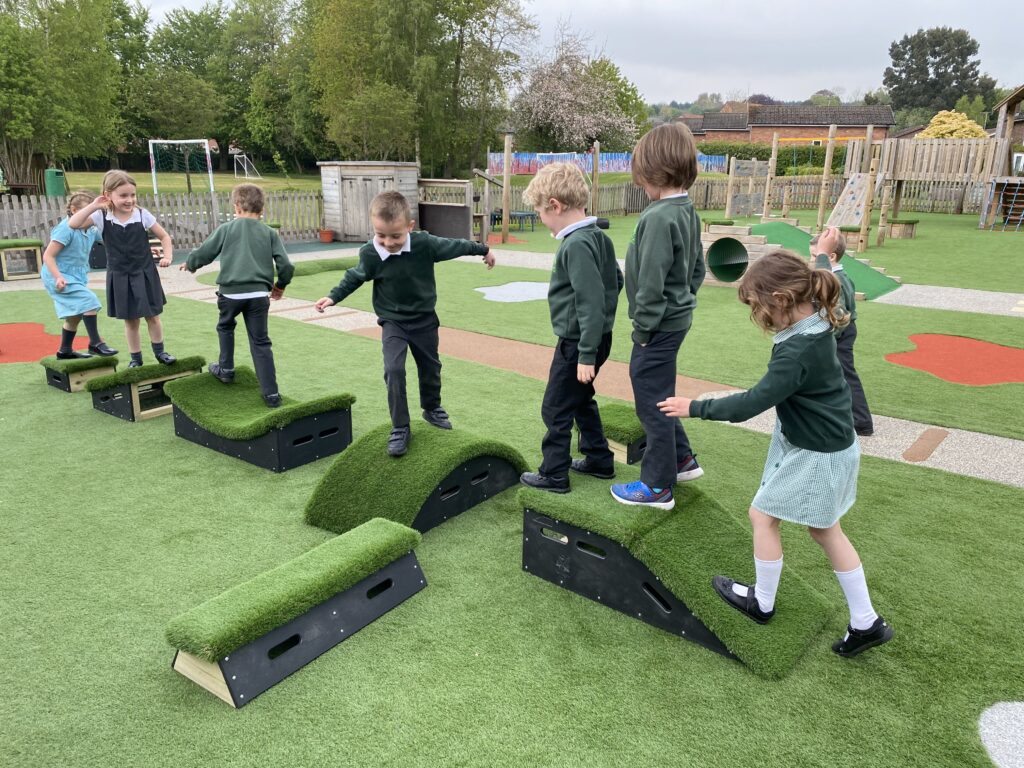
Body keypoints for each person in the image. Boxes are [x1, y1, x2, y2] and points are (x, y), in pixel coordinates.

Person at [658, 239, 894, 658]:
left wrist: (693, 407)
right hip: (832, 445)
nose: (758, 316)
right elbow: (827, 277)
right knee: (824, 530)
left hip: (818, 454)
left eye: (758, 307)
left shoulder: (797, 350)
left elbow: (751, 403)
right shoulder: (820, 318)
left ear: (783, 299)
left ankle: (762, 603)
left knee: (762, 516)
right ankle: (865, 621)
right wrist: (821, 256)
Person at [314, 190, 494, 456]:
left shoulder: (424, 244)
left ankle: (432, 408)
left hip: (424, 320)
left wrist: (484, 250)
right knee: (394, 369)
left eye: (395, 236)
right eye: (381, 235)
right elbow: (355, 276)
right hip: (393, 322)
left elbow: (456, 245)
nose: (388, 242)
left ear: (410, 227)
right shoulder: (371, 253)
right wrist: (332, 297)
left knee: (430, 367)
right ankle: (400, 426)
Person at [609, 122, 706, 510]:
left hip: (658, 325)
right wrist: (684, 299)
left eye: (641, 176)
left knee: (650, 399)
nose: (639, 184)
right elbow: (696, 268)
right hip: (677, 319)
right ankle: (681, 459)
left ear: (655, 170)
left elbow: (649, 282)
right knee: (661, 393)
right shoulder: (687, 211)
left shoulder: (658, 216)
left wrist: (644, 328)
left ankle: (656, 485)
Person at [517, 163, 622, 493]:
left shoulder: (575, 245)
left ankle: (554, 474)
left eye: (540, 212)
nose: (541, 219)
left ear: (555, 205)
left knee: (556, 406)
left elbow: (590, 300)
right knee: (580, 400)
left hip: (579, 342)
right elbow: (615, 282)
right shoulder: (598, 237)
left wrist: (585, 353)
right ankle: (599, 459)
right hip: (596, 337)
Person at [180, 184, 294, 408]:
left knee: (225, 326)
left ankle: (226, 369)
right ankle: (271, 394)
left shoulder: (227, 229)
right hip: (259, 295)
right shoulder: (269, 233)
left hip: (230, 293)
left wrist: (191, 264)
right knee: (261, 342)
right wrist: (280, 286)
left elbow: (206, 252)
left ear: (237, 206)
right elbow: (286, 265)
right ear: (261, 209)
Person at [68, 171, 175, 368]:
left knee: (153, 316)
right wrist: (94, 205)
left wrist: (167, 256)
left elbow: (165, 237)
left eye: (132, 195)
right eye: (123, 196)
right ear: (108, 195)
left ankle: (161, 353)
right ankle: (136, 359)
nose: (129, 200)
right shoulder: (101, 216)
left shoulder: (142, 215)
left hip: (144, 273)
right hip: (119, 276)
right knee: (131, 320)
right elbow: (73, 223)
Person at [40, 191, 118, 359]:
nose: (92, 216)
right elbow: (48, 256)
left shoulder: (89, 229)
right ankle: (95, 343)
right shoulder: (66, 229)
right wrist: (58, 277)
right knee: (89, 301)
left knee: (74, 316)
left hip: (76, 276)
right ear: (74, 210)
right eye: (89, 211)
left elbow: (111, 239)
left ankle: (65, 350)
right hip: (58, 274)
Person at [810, 233, 874, 436]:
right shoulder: (843, 276)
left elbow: (838, 313)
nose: (812, 260)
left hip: (840, 334)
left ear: (831, 257)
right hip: (846, 330)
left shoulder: (835, 278)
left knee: (846, 375)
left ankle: (861, 421)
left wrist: (829, 338)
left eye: (815, 256)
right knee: (837, 374)